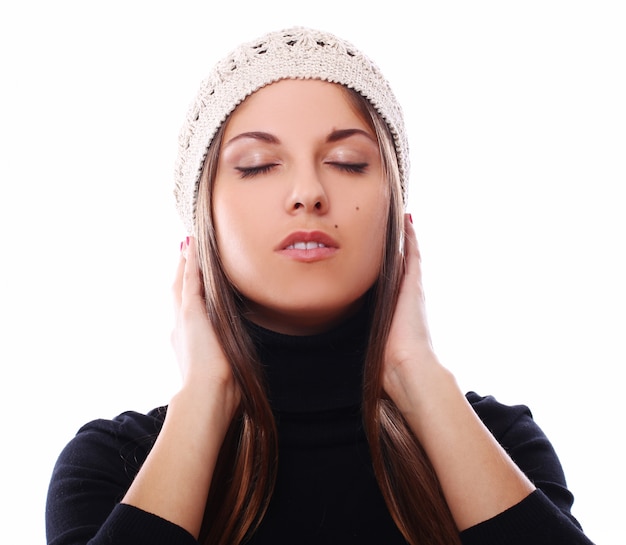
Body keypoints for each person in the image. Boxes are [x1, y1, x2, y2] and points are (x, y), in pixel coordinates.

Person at [45, 27, 594, 545]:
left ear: (396, 211)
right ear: (202, 220)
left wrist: (418, 374)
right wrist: (203, 398)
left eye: (347, 162)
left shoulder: (500, 442)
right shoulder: (114, 464)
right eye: (258, 165)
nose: (307, 192)